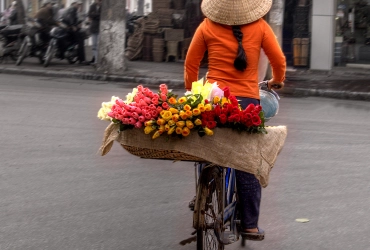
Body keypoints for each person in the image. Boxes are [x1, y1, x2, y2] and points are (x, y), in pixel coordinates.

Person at [184, 0, 286, 241]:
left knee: (206, 147)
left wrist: (193, 92)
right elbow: (278, 61)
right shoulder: (260, 26)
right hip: (246, 104)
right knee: (246, 160)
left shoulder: (207, 25)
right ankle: (249, 225)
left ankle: (204, 192)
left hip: (212, 99)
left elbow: (191, 64)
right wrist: (276, 80)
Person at [61, 1, 90, 65]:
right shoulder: (73, 9)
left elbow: (66, 18)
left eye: (80, 5)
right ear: (74, 4)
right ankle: (82, 60)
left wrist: (77, 23)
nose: (79, 6)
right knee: (81, 41)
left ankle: (72, 53)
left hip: (66, 29)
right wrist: (74, 26)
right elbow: (71, 19)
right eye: (78, 4)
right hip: (72, 29)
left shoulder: (67, 10)